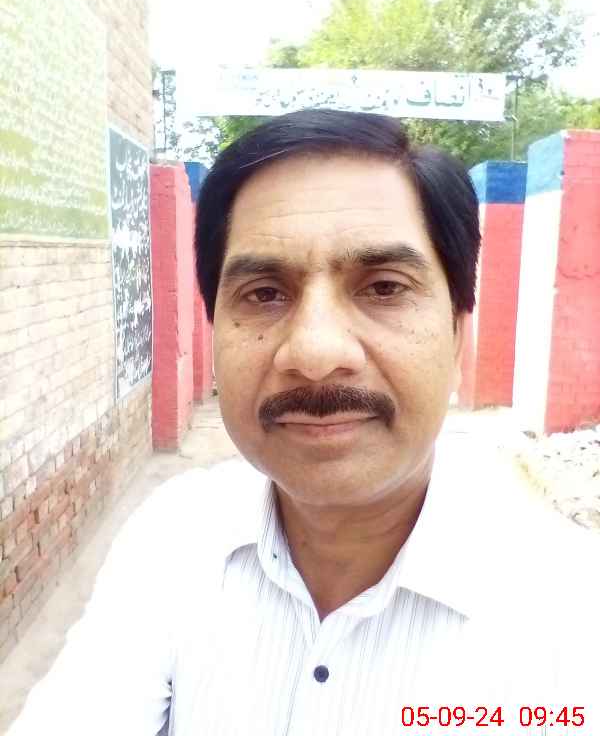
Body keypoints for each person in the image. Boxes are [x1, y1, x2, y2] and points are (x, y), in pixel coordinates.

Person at [7, 109, 600, 735]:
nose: (315, 353)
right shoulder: (172, 537)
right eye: (264, 293)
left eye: (384, 287)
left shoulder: (572, 618)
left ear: (457, 332)